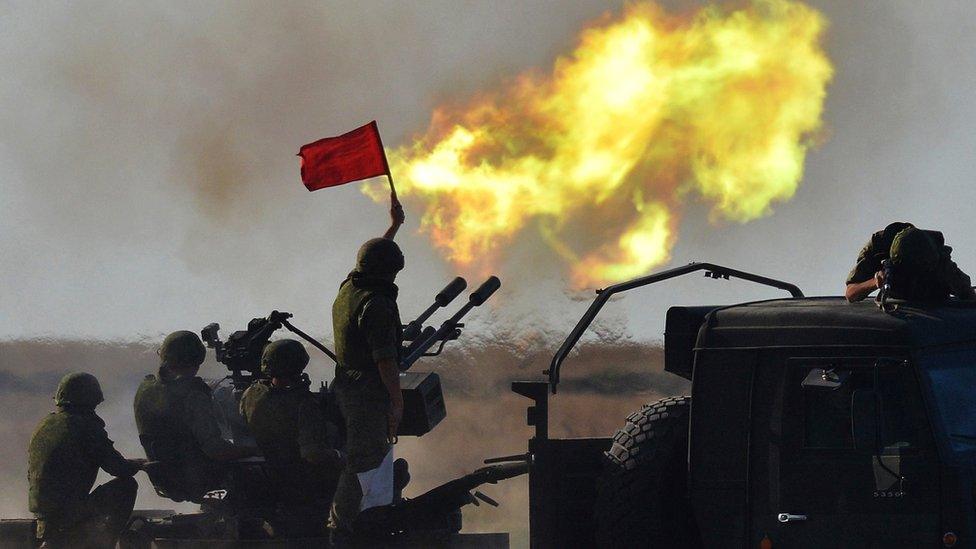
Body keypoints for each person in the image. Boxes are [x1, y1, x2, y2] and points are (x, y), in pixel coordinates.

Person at [328, 200, 406, 541]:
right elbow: (385, 361)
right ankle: (341, 529)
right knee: (364, 461)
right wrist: (396, 401)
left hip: (347, 384)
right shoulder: (376, 305)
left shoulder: (351, 288)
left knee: (370, 457)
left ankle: (367, 518)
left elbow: (369, 261)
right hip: (366, 393)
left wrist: (394, 226)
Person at [134, 330, 256, 502]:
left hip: (166, 477)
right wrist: (255, 450)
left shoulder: (145, 388)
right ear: (198, 360)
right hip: (197, 479)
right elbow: (216, 450)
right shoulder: (194, 395)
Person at [28, 372, 144, 548]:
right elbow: (118, 468)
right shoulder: (85, 426)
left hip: (44, 518)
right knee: (126, 486)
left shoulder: (45, 425)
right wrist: (139, 465)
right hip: (69, 514)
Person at [240, 339, 343, 536]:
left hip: (268, 471)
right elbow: (312, 453)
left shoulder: (250, 394)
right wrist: (340, 456)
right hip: (299, 478)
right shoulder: (303, 404)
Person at [845, 222, 976, 303]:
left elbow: (967, 295)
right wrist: (875, 282)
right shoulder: (878, 247)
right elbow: (851, 293)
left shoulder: (936, 258)